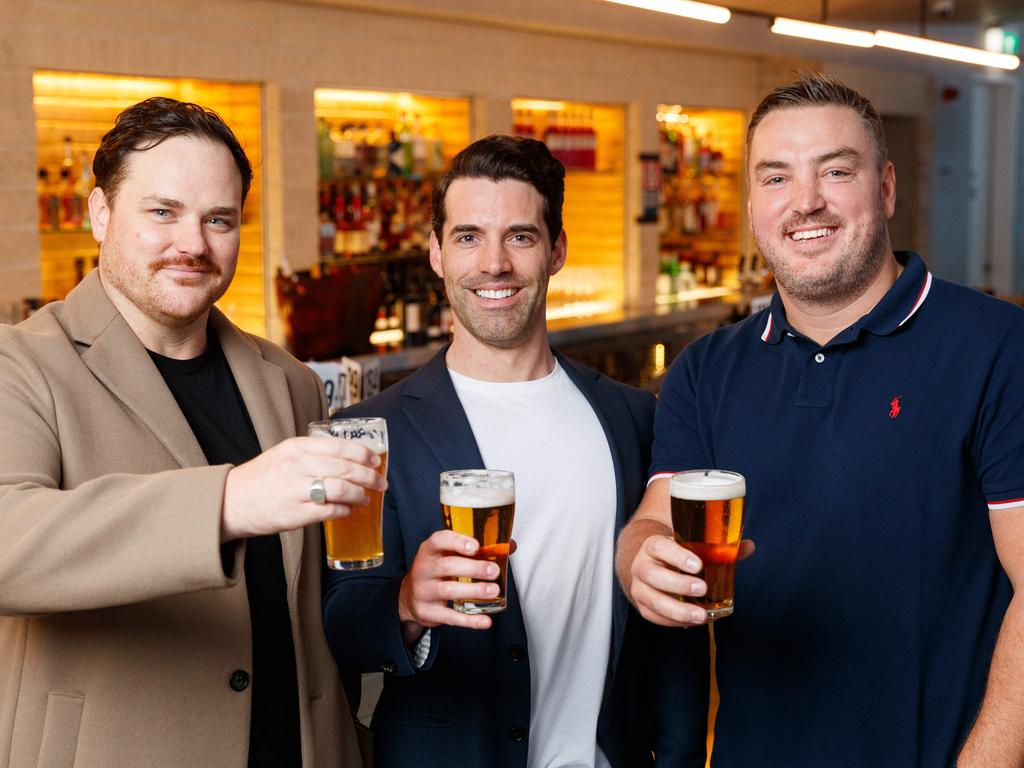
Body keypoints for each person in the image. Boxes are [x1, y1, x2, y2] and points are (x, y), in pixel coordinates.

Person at [616, 71, 1024, 767]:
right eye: (776, 178)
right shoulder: (706, 370)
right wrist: (639, 562)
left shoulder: (995, 347)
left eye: (836, 172)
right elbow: (656, 518)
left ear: (886, 188)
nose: (806, 202)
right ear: (751, 208)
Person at [0, 97, 384, 768]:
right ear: (99, 213)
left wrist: (405, 605)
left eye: (219, 220)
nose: (194, 244)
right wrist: (228, 502)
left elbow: (313, 610)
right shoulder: (21, 363)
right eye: (162, 212)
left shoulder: (287, 379)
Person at [323, 135, 660, 767]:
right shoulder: (366, 430)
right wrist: (405, 604)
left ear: (556, 250)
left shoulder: (631, 417)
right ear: (437, 253)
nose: (494, 264)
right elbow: (340, 623)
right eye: (469, 236)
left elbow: (661, 639)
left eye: (521, 237)